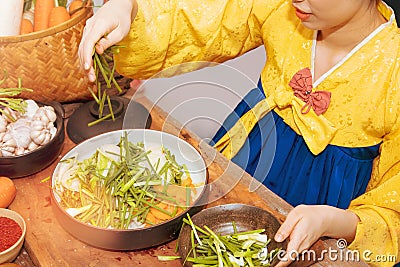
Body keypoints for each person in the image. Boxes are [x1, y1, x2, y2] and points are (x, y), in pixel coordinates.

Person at [78, 0, 400, 266]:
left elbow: (393, 207)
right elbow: (206, 19)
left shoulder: (394, 71)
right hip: (251, 152)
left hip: (325, 201)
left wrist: (334, 222)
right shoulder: (280, 9)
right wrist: (128, 9)